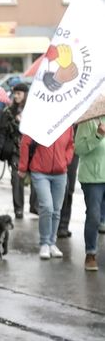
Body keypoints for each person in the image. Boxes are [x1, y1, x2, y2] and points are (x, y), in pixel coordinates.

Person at [18, 127, 74, 260]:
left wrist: (65, 160)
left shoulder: (67, 123)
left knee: (56, 210)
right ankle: (44, 243)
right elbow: (25, 143)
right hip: (40, 171)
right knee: (47, 207)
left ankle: (52, 243)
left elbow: (71, 144)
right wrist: (22, 167)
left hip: (60, 173)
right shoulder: (40, 120)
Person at [74, 116, 105, 271]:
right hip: (93, 178)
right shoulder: (88, 121)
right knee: (94, 215)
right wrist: (98, 135)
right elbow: (78, 149)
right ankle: (90, 254)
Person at [0, 83, 30, 218]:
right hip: (15, 150)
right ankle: (19, 208)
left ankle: (35, 206)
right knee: (16, 179)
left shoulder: (32, 109)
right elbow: (4, 130)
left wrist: (24, 121)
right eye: (15, 93)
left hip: (32, 150)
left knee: (36, 179)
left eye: (19, 93)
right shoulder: (8, 111)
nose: (16, 96)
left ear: (25, 95)